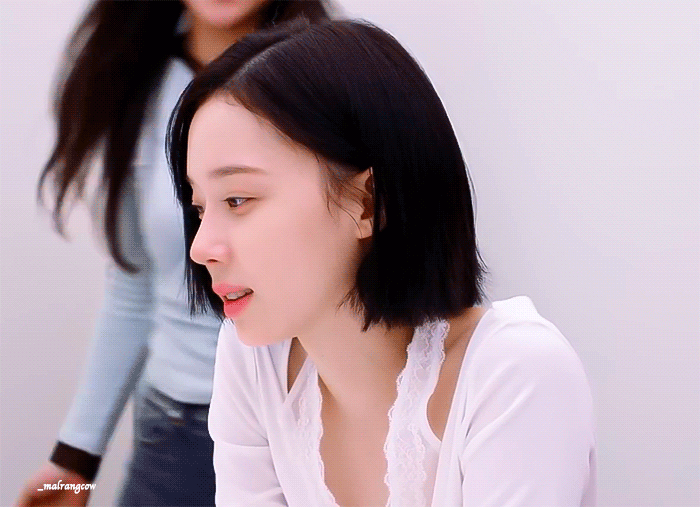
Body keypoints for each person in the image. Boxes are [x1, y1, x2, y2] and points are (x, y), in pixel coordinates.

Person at [168, 18, 598, 507]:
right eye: (199, 208)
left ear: (367, 201)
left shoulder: (517, 373)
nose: (201, 247)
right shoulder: (255, 361)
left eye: (238, 199)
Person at [16, 2, 331, 507]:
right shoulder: (137, 89)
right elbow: (134, 287)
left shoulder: (332, 79)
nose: (203, 247)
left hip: (314, 428)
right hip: (177, 437)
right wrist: (74, 460)